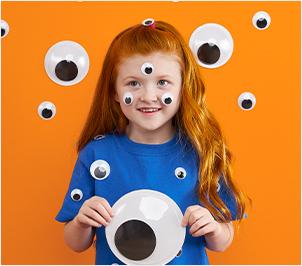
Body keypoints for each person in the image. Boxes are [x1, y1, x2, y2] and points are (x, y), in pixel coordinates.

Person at [56, 18, 249, 265]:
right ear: (115, 91)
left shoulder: (201, 152)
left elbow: (223, 241)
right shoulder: (97, 154)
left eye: (162, 82)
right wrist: (82, 220)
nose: (148, 96)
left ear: (183, 87)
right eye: (133, 83)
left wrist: (213, 228)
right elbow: (75, 243)